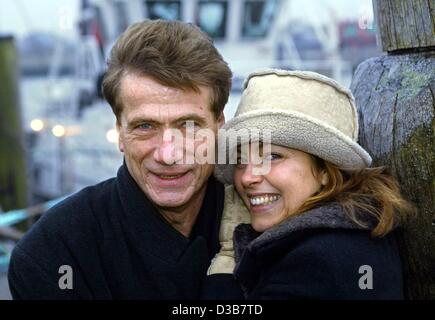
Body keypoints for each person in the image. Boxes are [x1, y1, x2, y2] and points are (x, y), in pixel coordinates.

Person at [8, 20, 232, 299]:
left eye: (189, 125)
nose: (168, 154)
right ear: (120, 132)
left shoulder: (265, 227)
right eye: (145, 126)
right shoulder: (52, 252)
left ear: (219, 125)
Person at [204, 68, 414, 299]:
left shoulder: (314, 261)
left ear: (325, 170)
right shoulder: (361, 232)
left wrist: (226, 260)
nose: (246, 177)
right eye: (241, 161)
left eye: (272, 157)